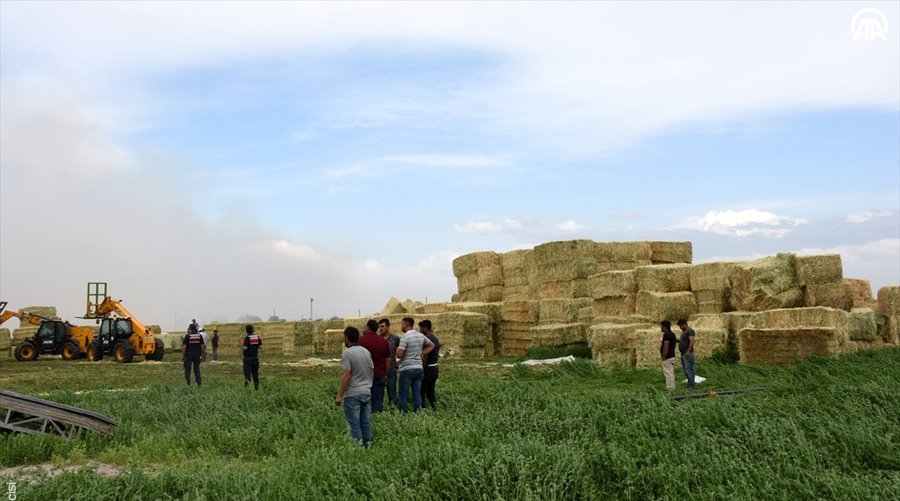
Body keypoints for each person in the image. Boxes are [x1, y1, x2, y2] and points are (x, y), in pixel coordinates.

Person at [334, 326, 374, 447]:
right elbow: (371, 371)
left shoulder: (348, 353)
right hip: (366, 392)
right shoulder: (366, 352)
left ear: (347, 338)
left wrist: (340, 395)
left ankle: (358, 450)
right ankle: (368, 447)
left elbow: (347, 374)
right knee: (365, 423)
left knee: (354, 424)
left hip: (353, 394)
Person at [395, 317, 434, 413]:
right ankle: (418, 412)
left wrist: (397, 350)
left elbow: (399, 355)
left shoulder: (405, 337)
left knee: (403, 394)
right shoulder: (421, 336)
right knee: (417, 393)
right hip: (419, 368)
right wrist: (421, 353)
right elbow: (432, 345)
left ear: (406, 325)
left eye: (402, 324)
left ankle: (402, 414)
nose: (401, 326)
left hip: (407, 369)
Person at [358, 319, 391, 412]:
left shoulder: (360, 340)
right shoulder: (384, 342)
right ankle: (377, 415)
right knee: (377, 399)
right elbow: (388, 360)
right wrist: (385, 374)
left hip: (364, 374)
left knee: (363, 399)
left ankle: (365, 416)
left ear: (368, 327)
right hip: (379, 373)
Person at [378, 318, 401, 407]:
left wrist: (400, 362)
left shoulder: (395, 339)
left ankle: (394, 410)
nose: (380, 328)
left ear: (388, 327)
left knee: (392, 393)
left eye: (382, 326)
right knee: (378, 394)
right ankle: (379, 411)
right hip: (380, 370)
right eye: (379, 327)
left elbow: (404, 350)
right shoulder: (377, 339)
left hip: (392, 369)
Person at [419, 319, 440, 410]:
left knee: (422, 390)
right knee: (431, 391)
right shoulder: (435, 338)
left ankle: (422, 408)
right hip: (434, 368)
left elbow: (425, 355)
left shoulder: (428, 340)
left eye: (421, 328)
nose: (420, 331)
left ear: (425, 328)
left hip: (427, 369)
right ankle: (433, 407)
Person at [677, 319, 697, 390]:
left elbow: (692, 341)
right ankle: (689, 384)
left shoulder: (690, 331)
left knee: (689, 370)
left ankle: (691, 386)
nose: (680, 327)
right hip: (683, 354)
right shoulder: (684, 332)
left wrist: (688, 351)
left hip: (688, 354)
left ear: (684, 324)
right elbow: (684, 341)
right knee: (686, 370)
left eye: (680, 326)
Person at [242, 324, 263, 390]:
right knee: (255, 374)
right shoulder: (257, 337)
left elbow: (245, 347)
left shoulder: (247, 338)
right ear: (252, 330)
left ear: (246, 330)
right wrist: (255, 347)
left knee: (247, 376)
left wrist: (243, 345)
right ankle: (256, 389)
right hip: (255, 358)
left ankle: (246, 390)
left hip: (248, 359)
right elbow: (261, 347)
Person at [659, 320, 677, 391]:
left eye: (661, 326)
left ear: (665, 327)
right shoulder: (672, 334)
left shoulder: (667, 335)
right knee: (670, 372)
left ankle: (670, 388)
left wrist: (664, 356)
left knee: (667, 372)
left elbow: (666, 346)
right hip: (672, 355)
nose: (661, 328)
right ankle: (672, 386)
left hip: (668, 356)